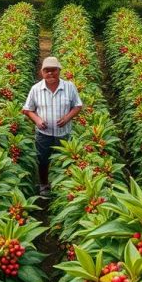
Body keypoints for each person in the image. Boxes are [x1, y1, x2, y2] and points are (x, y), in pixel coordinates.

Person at [22, 56, 83, 195]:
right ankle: (44, 184)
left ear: (59, 71)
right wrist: (37, 120)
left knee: (64, 161)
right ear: (41, 73)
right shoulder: (36, 89)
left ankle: (62, 187)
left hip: (64, 133)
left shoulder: (69, 87)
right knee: (43, 160)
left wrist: (67, 117)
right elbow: (27, 109)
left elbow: (78, 106)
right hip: (44, 134)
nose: (50, 73)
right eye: (46, 71)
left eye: (53, 70)